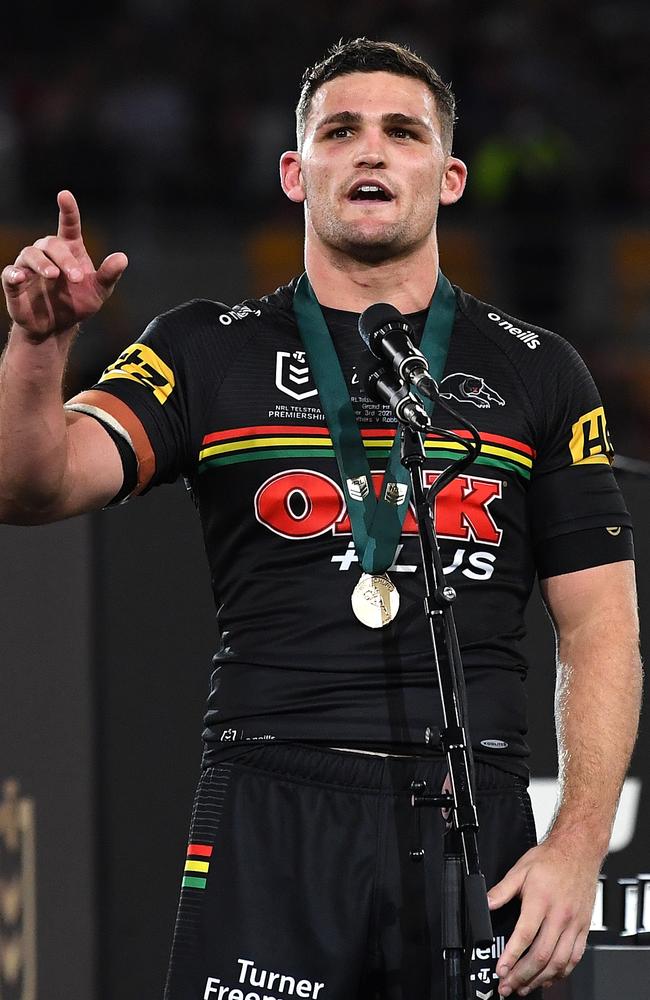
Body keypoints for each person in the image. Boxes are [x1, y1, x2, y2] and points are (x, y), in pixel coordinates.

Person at [0, 38, 642, 1000]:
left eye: (402, 132)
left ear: (450, 175)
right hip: (272, 805)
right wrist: (39, 347)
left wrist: (580, 844)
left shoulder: (537, 370)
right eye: (341, 131)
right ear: (297, 172)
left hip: (476, 810)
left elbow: (602, 632)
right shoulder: (202, 349)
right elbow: (32, 484)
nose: (371, 152)